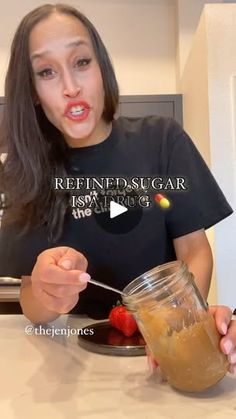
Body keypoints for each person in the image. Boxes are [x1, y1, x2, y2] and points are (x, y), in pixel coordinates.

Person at [0, 3, 236, 374]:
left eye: (81, 62)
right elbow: (32, 303)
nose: (70, 87)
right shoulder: (27, 169)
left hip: (159, 354)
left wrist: (177, 325)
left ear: (101, 66)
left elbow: (194, 251)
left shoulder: (161, 139)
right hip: (71, 363)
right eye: (46, 72)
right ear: (31, 91)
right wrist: (50, 291)